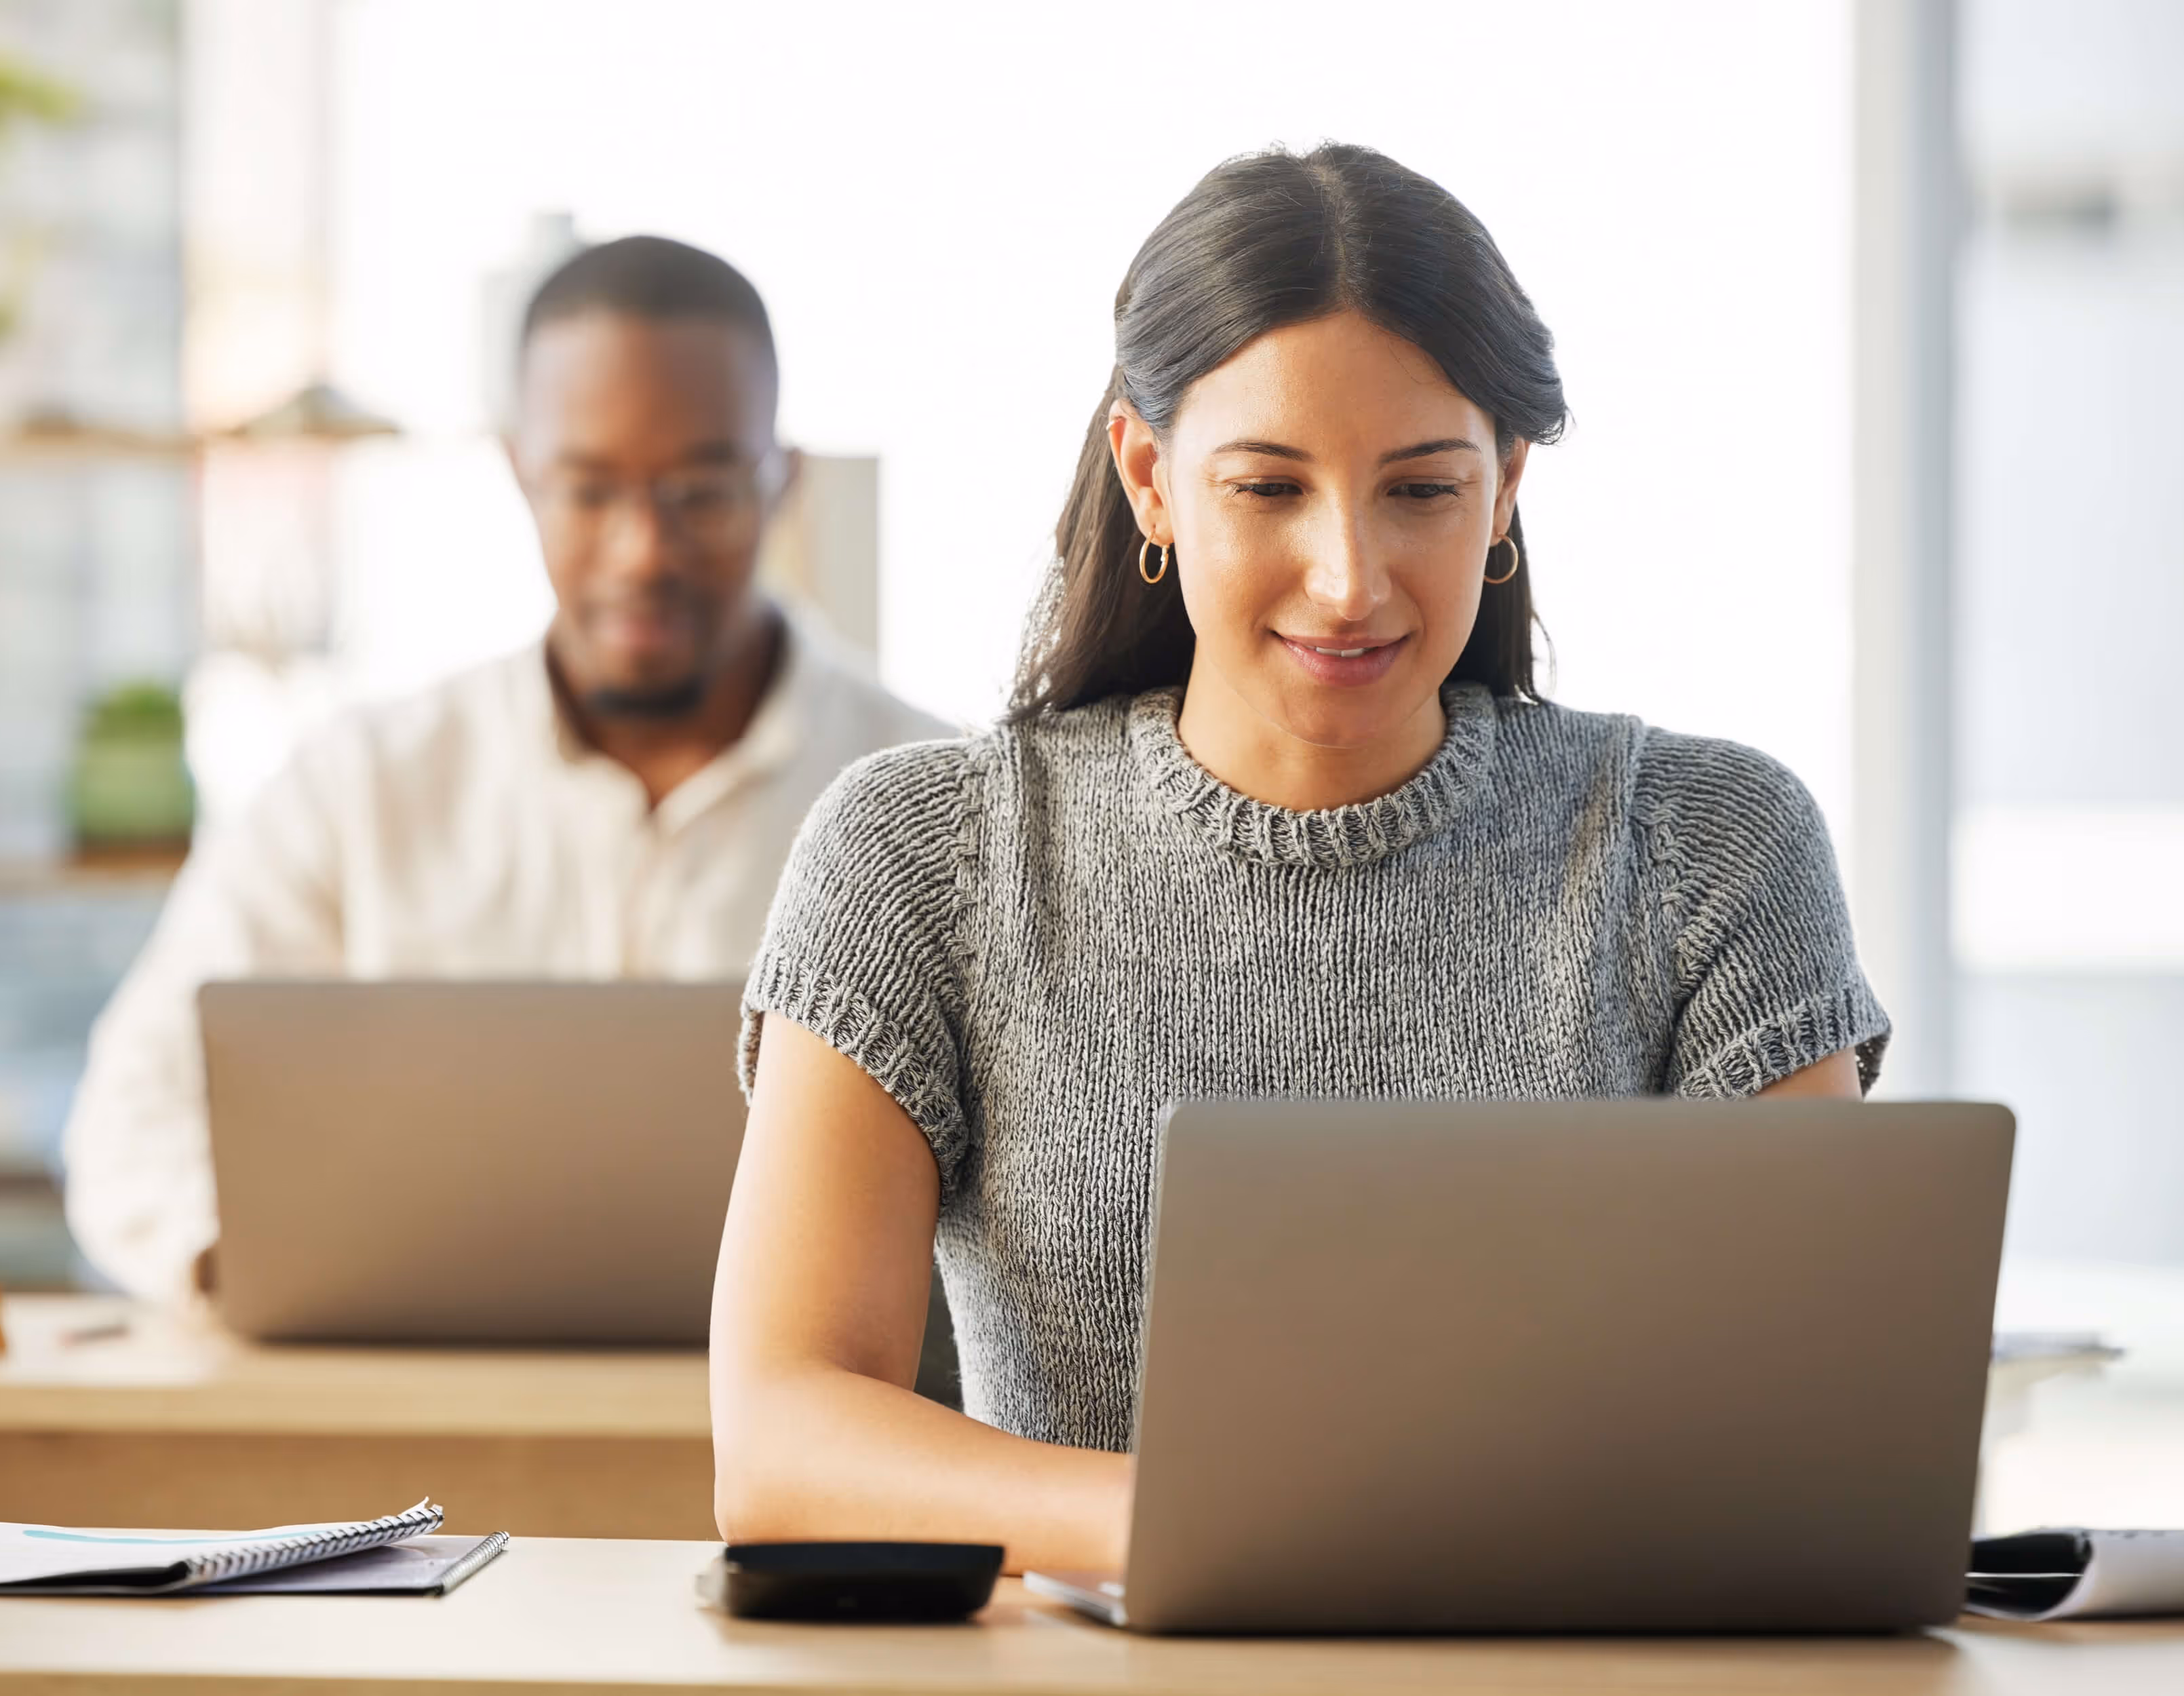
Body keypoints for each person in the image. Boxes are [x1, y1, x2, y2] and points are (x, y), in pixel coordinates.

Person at [708, 144, 1891, 1574]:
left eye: (1421, 491)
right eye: (1268, 487)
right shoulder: (926, 853)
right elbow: (783, 1435)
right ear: (1149, 477)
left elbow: (1824, 1423)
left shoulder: (1708, 845)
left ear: (1506, 483)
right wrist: (1212, 1524)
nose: (1349, 575)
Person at [64, 235, 951, 1306]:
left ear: (782, 482)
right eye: (588, 491)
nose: (641, 552)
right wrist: (281, 1270)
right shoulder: (360, 788)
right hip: (423, 1412)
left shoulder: (935, 806)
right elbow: (131, 1121)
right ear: (517, 473)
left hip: (819, 1432)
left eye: (700, 493)